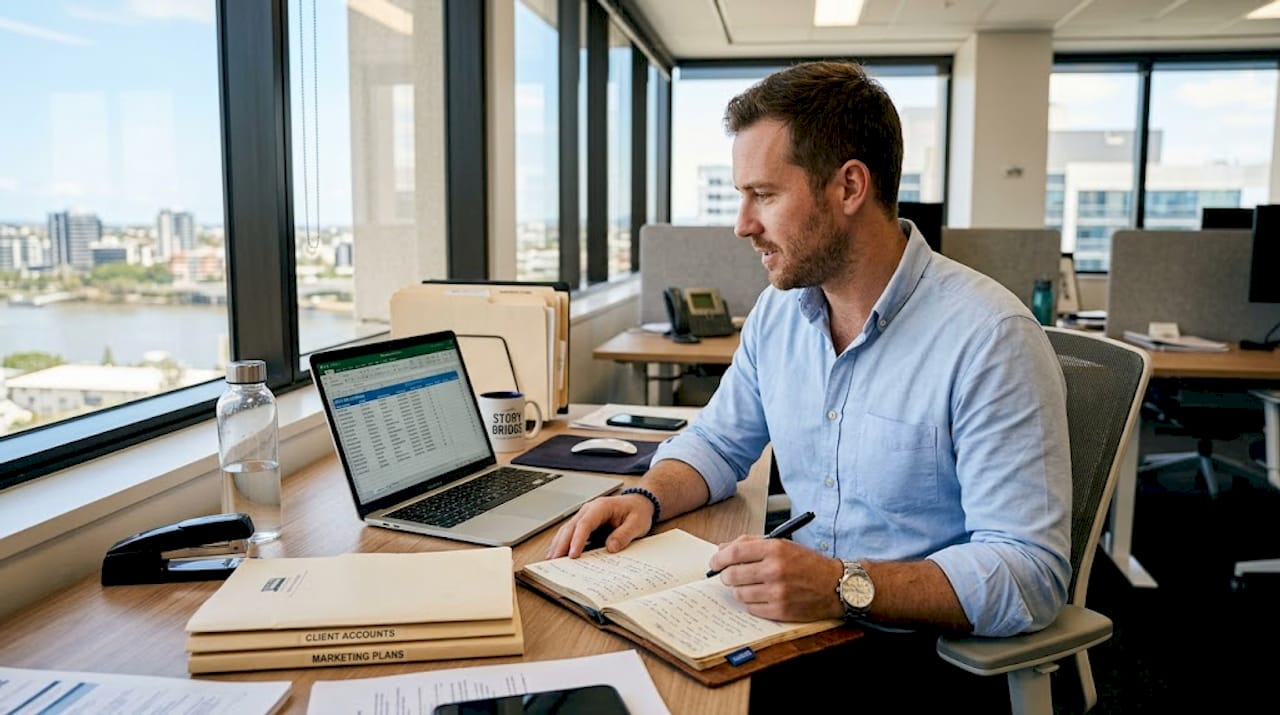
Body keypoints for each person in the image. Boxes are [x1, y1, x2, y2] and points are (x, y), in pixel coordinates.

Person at [549, 61, 1071, 710]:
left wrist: (842, 585)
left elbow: (1031, 573)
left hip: (922, 651)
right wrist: (646, 497)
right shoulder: (780, 314)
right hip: (798, 621)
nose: (742, 224)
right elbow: (717, 439)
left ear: (849, 185)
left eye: (763, 195)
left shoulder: (988, 337)